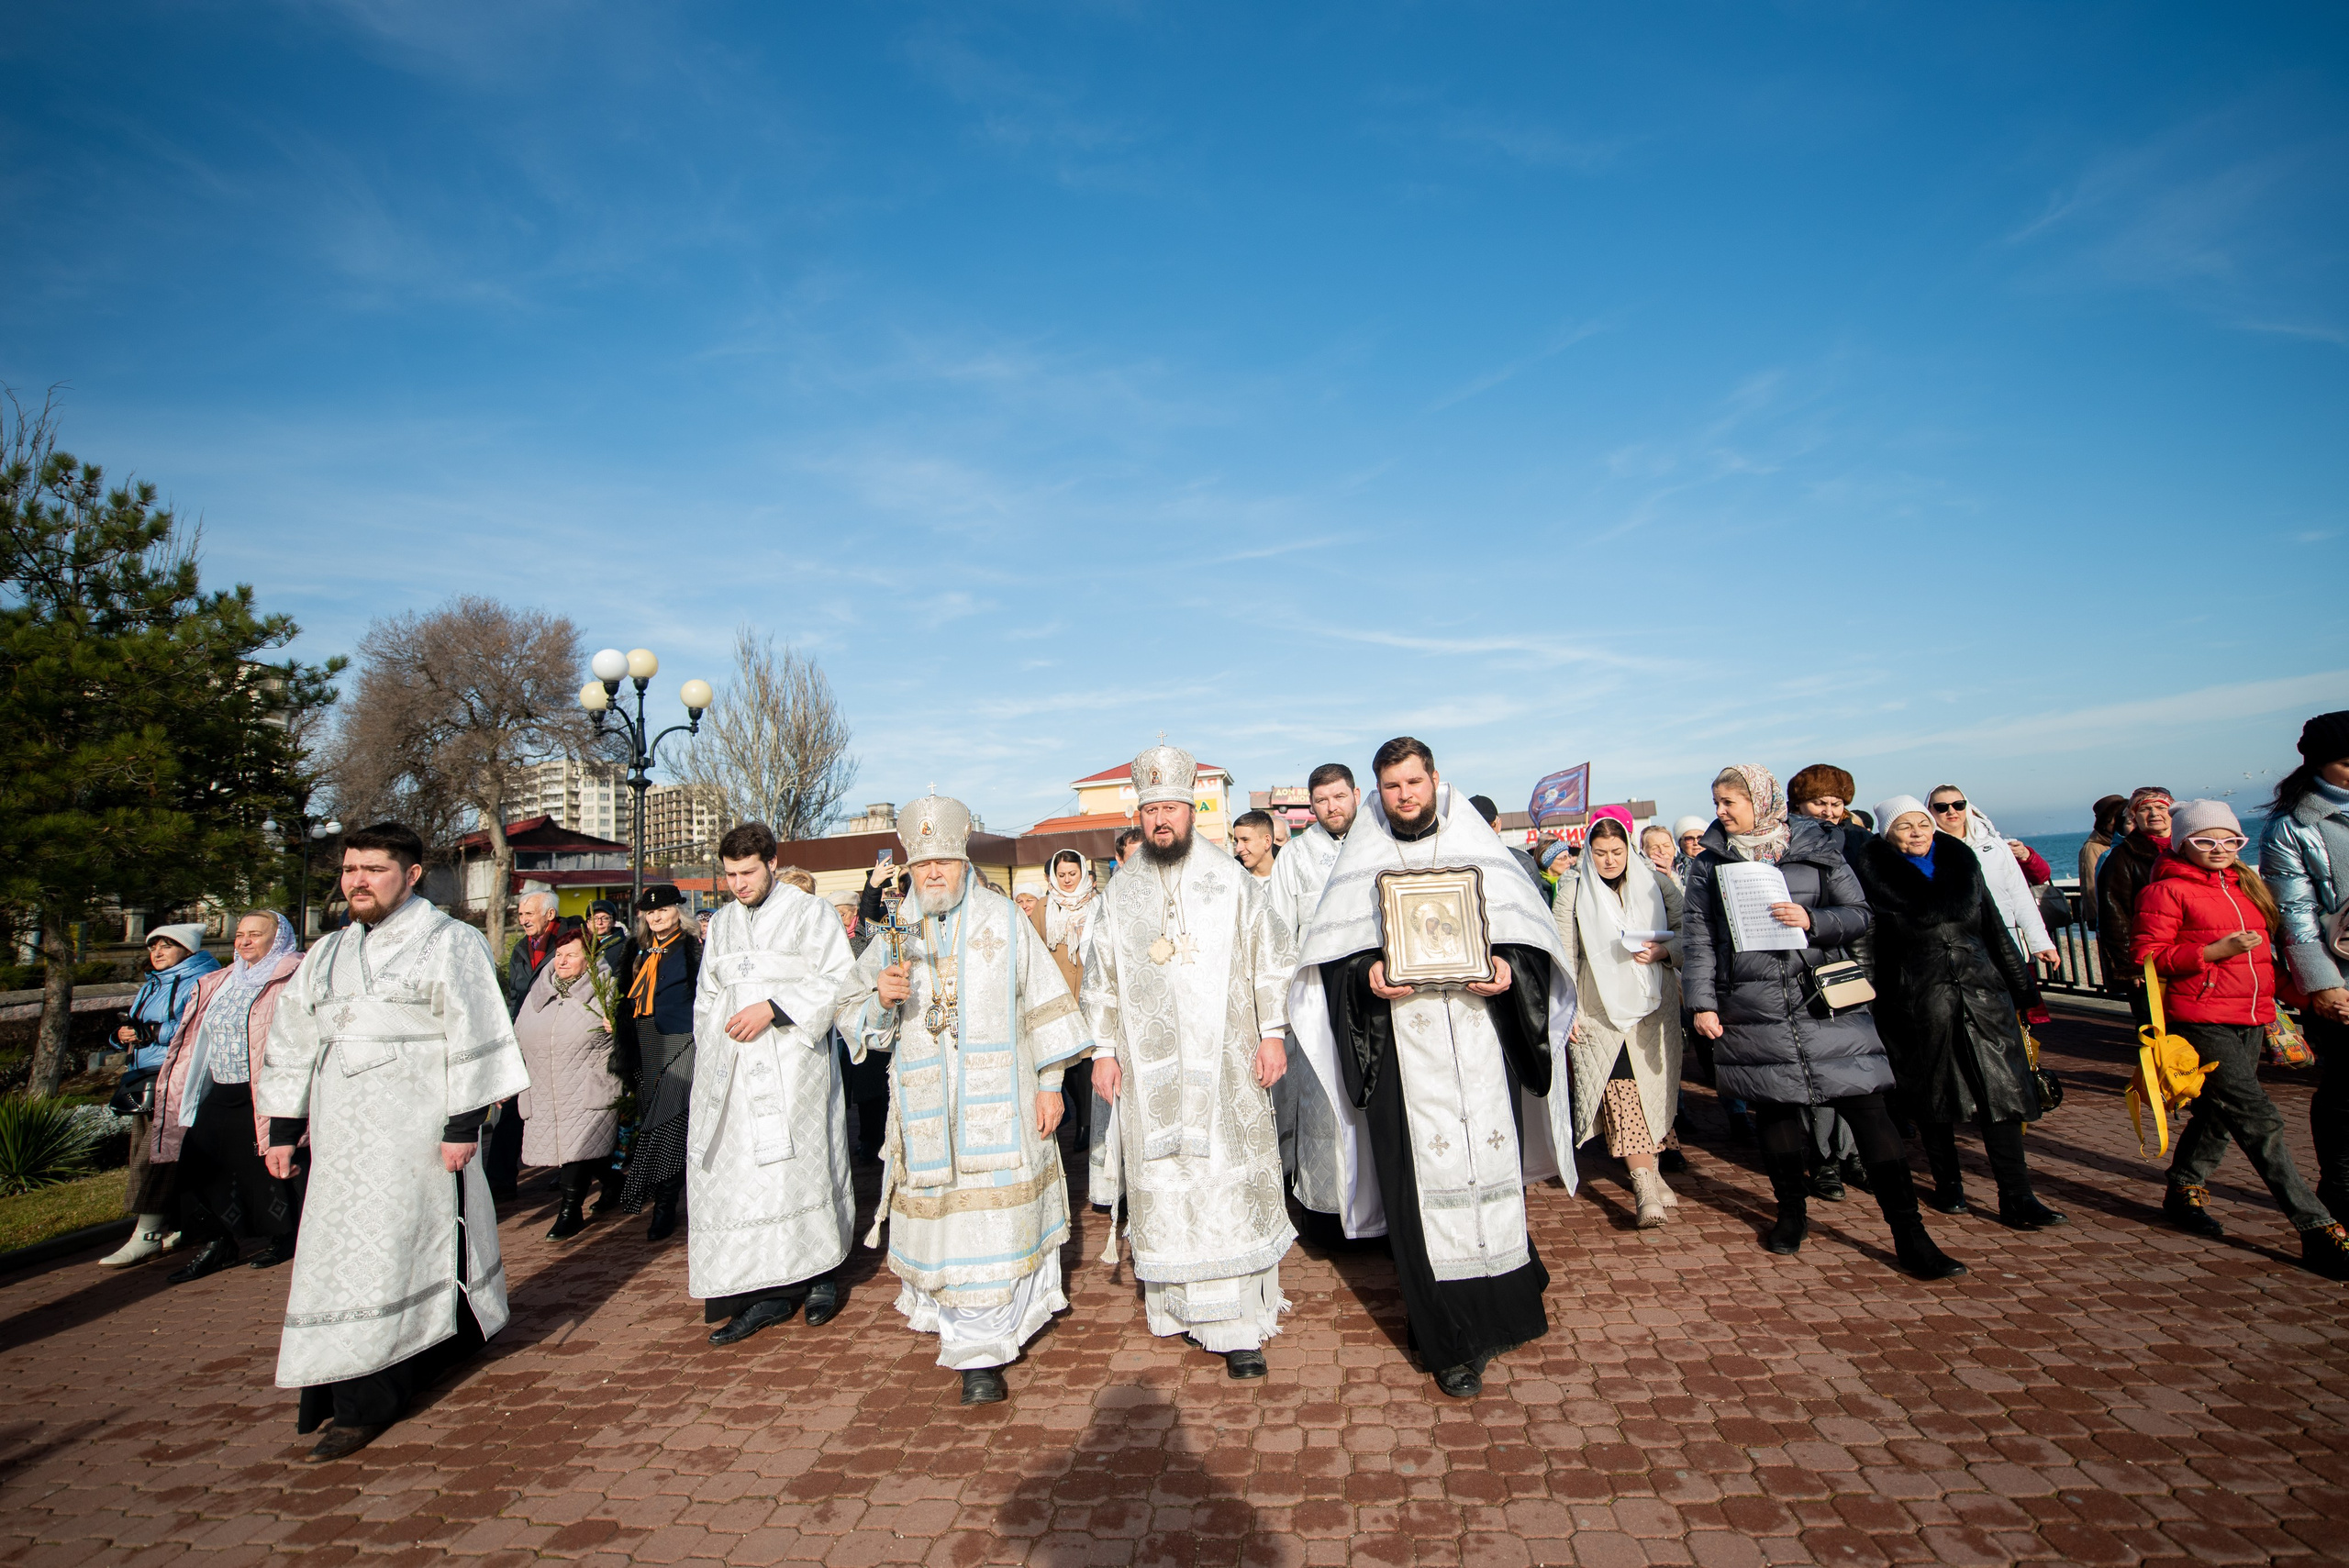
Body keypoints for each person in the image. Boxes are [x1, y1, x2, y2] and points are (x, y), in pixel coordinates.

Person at [1291, 738, 1575, 1398]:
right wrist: (1369, 975)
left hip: (1481, 1045)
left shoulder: (1480, 852)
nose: (1405, 796)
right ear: (1379, 792)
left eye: (1413, 782)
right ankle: (1448, 1341)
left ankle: (1508, 1295)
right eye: (1392, 787)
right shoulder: (1362, 862)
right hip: (1402, 1054)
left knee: (1491, 1169)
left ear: (1435, 780)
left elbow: (1530, 943)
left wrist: (1508, 970)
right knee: (1419, 1193)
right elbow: (1332, 962)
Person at [257, 821, 529, 1462]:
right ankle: (350, 1374)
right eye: (350, 869)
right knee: (339, 1263)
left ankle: (371, 1398)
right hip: (341, 1143)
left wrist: (463, 1125)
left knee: (403, 1253)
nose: (358, 881)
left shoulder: (450, 941)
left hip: (416, 1136)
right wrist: (284, 1129)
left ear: (410, 875)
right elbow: (293, 1038)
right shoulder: (326, 953)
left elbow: (476, 1031)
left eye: (373, 869)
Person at [836, 795, 1093, 1405]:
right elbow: (854, 1014)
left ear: (962, 861)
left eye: (943, 863)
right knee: (950, 1234)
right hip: (928, 1117)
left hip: (1004, 1105)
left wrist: (1051, 1085)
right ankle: (967, 1339)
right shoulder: (896, 931)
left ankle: (986, 1349)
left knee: (997, 1230)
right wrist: (880, 998)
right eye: (922, 865)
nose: (932, 874)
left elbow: (1046, 1003)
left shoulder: (1004, 919)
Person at [1682, 765, 1965, 1280]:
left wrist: (1813, 920)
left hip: (1824, 997)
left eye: (1728, 802)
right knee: (1774, 1110)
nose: (1719, 811)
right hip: (1751, 1001)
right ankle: (1791, 1213)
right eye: (1717, 801)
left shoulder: (1816, 847)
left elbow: (1860, 913)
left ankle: (1911, 1235)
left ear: (1760, 800)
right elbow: (1698, 938)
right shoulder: (1709, 863)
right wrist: (1702, 1003)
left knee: (1869, 1109)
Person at [1083, 743, 1293, 1381]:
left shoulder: (1230, 878)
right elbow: (1101, 977)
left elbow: (1269, 957)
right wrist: (1103, 1050)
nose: (1160, 821)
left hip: (1227, 1065)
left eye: (1170, 808)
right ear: (1141, 816)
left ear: (1190, 809)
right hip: (1150, 1074)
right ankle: (1176, 1308)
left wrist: (1273, 1033)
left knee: (1223, 1177)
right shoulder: (1121, 891)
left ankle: (1238, 1328)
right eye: (1150, 811)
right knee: (1167, 1178)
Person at [2136, 800, 2349, 1279]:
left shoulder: (2247, 886)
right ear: (2182, 843)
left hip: (2252, 1017)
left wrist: (2312, 998)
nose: (2220, 849)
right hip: (2198, 1017)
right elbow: (2146, 956)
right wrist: (2213, 951)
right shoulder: (2165, 889)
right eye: (2205, 840)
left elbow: (2266, 966)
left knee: (2220, 1112)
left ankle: (2185, 1185)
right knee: (2258, 1118)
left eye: (2231, 840)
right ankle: (2317, 1227)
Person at [1854, 799, 2065, 1229]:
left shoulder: (1962, 864)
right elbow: (1866, 947)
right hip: (1917, 1001)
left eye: (1923, 823)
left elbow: (1996, 931)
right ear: (1887, 834)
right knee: (1934, 1095)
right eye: (1905, 826)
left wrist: (2024, 993)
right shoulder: (1872, 876)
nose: (1917, 832)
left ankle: (2018, 1195)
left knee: (2002, 1094)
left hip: (1983, 995)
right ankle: (1948, 1184)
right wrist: (1865, 1007)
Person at [689, 822, 859, 1346]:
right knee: (747, 1180)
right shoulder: (722, 924)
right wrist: (715, 1044)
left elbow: (840, 979)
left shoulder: (811, 913)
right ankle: (765, 1291)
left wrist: (773, 1008)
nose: (739, 884)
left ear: (772, 863)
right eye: (730, 875)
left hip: (794, 1068)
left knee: (800, 1172)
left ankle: (821, 1274)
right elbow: (706, 995)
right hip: (736, 1074)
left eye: (748, 872)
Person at [150, 911, 306, 1280]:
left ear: (278, 938)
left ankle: (285, 1236)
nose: (244, 941)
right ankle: (217, 1243)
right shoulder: (220, 981)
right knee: (198, 1159)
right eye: (240, 934)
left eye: (256, 934)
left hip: (266, 1089)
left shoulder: (295, 976)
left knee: (271, 1165)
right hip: (221, 1086)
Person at [1554, 811, 1684, 1227]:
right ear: (1588, 852)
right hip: (1600, 1009)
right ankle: (1643, 1186)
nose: (1609, 861)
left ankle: (1655, 1173)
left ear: (1628, 849)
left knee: (1652, 1092)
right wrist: (1568, 1008)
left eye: (1616, 851)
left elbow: (1689, 933)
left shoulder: (1657, 884)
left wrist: (1665, 952)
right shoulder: (1574, 888)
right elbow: (1563, 951)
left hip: (1653, 1006)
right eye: (1600, 852)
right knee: (1621, 1091)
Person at [2263, 711, 2349, 1223]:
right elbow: (2294, 913)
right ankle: (2339, 1191)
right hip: (2340, 977)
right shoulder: (2294, 825)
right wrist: (2322, 985)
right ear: (2319, 764)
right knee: (2345, 1089)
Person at [1263, 762, 1360, 1218]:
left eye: (1338, 797)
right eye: (1321, 800)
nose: (1331, 807)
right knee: (1322, 1098)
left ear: (1355, 794)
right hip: (1317, 997)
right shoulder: (1296, 856)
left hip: (1375, 997)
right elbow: (1278, 931)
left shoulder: (1378, 843)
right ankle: (1326, 1208)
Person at [97, 924, 222, 1269]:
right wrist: (121, 1035)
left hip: (180, 1077)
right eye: (154, 947)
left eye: (167, 946)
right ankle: (185, 1224)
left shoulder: (204, 979)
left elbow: (199, 1025)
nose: (158, 953)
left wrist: (152, 1032)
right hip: (145, 1079)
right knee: (156, 1152)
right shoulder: (152, 983)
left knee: (154, 1156)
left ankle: (147, 1234)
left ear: (188, 949)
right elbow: (135, 1026)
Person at [1786, 764, 1873, 1197]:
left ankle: (1853, 1153)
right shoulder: (1786, 845)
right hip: (1808, 964)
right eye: (1819, 802)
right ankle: (1824, 1160)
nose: (1829, 811)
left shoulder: (1859, 842)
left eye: (1837, 803)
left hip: (1857, 962)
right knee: (1818, 1071)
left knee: (1856, 1067)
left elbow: (1864, 909)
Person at [514, 917, 624, 1241]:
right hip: (544, 1086)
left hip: (588, 1083)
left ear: (589, 960)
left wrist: (617, 1028)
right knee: (584, 1149)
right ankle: (614, 1182)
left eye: (571, 955)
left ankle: (570, 1211)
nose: (562, 961)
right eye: (559, 955)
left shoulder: (605, 990)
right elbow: (517, 1035)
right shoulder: (538, 994)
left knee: (578, 1146)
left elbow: (626, 1037)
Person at [621, 883, 700, 1238]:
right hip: (645, 1039)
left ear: (678, 912)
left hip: (682, 1037)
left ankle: (664, 1205)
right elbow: (624, 994)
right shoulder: (638, 950)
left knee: (668, 1119)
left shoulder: (692, 947)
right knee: (652, 1115)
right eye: (650, 912)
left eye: (663, 910)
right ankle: (661, 1193)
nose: (656, 916)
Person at [1925, 787, 2058, 978]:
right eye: (1941, 807)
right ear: (1929, 810)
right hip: (1959, 949)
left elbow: (2019, 895)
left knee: (2021, 994)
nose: (1951, 811)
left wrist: (2040, 942)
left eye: (1958, 805)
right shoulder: (1926, 851)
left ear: (1967, 807)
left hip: (2007, 941)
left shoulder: (1995, 845)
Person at [491, 888, 561, 1200]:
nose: (522, 920)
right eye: (520, 914)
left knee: (561, 1109)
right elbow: (514, 996)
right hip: (523, 1038)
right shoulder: (521, 948)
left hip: (557, 1039)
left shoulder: (569, 943)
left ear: (549, 914)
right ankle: (499, 1181)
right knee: (510, 1107)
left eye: (528, 914)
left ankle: (573, 1179)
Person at [1036, 850, 1101, 1147]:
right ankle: (1083, 1118)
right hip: (1059, 993)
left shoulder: (1097, 904)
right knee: (1070, 1061)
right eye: (1061, 875)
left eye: (1072, 874)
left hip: (1090, 990)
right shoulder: (1043, 907)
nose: (1066, 880)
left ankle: (1086, 1124)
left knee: (1089, 1059)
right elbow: (1036, 947)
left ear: (1083, 873)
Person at [2098, 786, 2175, 1018]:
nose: (2154, 813)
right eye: (2145, 809)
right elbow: (2114, 914)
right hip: (2149, 958)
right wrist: (2129, 967)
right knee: (2156, 1026)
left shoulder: (2193, 848)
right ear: (2133, 816)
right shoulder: (2121, 857)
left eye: (2161, 807)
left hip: (2192, 953)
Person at [830, 892, 889, 1163]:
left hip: (867, 1014)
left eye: (842, 914)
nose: (839, 920)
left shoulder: (867, 934)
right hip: (839, 1021)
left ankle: (872, 1140)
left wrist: (873, 886)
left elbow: (869, 910)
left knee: (870, 1088)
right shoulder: (832, 939)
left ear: (854, 913)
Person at [2080, 795, 2130, 930]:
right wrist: (2096, 918)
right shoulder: (2093, 847)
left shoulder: (2123, 842)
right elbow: (2091, 884)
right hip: (2108, 919)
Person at [1231, 809, 1279, 882]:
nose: (1238, 849)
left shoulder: (1291, 876)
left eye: (1245, 840)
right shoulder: (1231, 879)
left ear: (1267, 841)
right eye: (1237, 841)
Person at [1673, 816, 1709, 883]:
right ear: (1680, 843)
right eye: (1689, 839)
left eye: (1700, 838)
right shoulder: (1675, 868)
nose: (1696, 843)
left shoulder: (1718, 861)